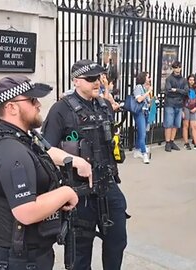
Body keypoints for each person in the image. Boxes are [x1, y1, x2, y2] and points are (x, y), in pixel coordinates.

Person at [0, 75, 93, 270]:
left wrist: (74, 161)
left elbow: (43, 150)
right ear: (11, 107)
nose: (38, 104)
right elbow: (26, 211)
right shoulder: (12, 153)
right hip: (19, 260)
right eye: (31, 100)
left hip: (22, 255)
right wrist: (66, 193)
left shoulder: (17, 137)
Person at [42, 59, 127, 270]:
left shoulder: (105, 105)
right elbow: (45, 150)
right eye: (90, 79)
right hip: (79, 193)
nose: (97, 82)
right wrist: (73, 160)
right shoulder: (60, 110)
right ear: (76, 81)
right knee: (79, 253)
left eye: (98, 77)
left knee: (117, 241)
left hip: (107, 186)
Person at [164, 60, 188, 152]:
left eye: (179, 67)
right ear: (173, 69)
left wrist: (176, 90)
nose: (178, 69)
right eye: (175, 68)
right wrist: (179, 91)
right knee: (169, 124)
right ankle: (167, 142)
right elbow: (168, 91)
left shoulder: (184, 79)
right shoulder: (169, 79)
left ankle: (172, 141)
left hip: (179, 104)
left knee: (176, 124)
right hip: (170, 103)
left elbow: (186, 91)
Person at [132, 71, 153, 164]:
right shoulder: (138, 87)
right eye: (148, 77)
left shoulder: (145, 88)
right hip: (139, 112)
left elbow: (148, 103)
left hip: (145, 112)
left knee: (142, 132)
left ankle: (137, 150)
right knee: (142, 133)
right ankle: (144, 153)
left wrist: (151, 98)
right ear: (144, 78)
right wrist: (148, 91)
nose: (149, 79)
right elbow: (139, 99)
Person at [182, 74, 196, 151]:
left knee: (194, 126)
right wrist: (182, 110)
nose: (191, 81)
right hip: (186, 107)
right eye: (190, 80)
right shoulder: (185, 88)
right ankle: (186, 143)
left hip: (193, 108)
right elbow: (182, 99)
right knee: (186, 125)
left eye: (193, 80)